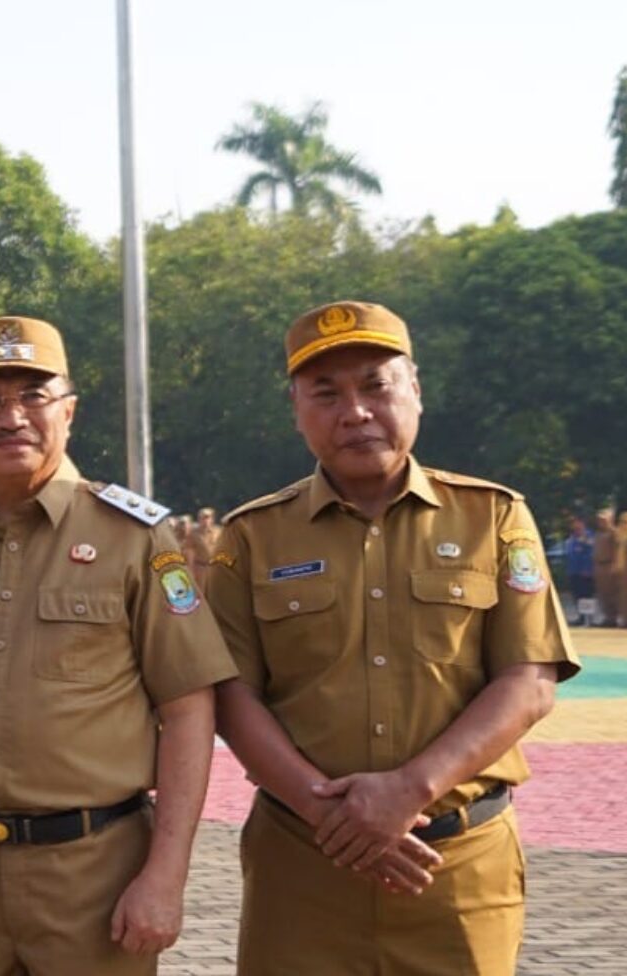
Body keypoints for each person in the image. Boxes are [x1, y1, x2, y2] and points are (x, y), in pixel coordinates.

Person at [204, 301, 578, 976]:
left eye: (376, 385)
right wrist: (333, 818)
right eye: (326, 394)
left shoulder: (494, 516)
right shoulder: (252, 537)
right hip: (303, 869)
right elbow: (231, 696)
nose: (355, 411)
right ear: (296, 411)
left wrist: (409, 789)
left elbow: (529, 682)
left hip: (456, 866)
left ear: (416, 391)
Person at [0, 316, 234, 975]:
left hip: (97, 876)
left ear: (68, 411)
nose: (10, 416)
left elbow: (187, 708)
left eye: (32, 395)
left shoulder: (136, 538)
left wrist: (167, 874)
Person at [584, 511, 614, 626]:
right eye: (600, 520)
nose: (601, 522)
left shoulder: (613, 534)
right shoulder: (597, 534)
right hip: (598, 566)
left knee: (610, 593)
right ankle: (607, 617)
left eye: (604, 520)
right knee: (602, 594)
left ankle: (612, 617)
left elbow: (618, 552)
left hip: (609, 565)